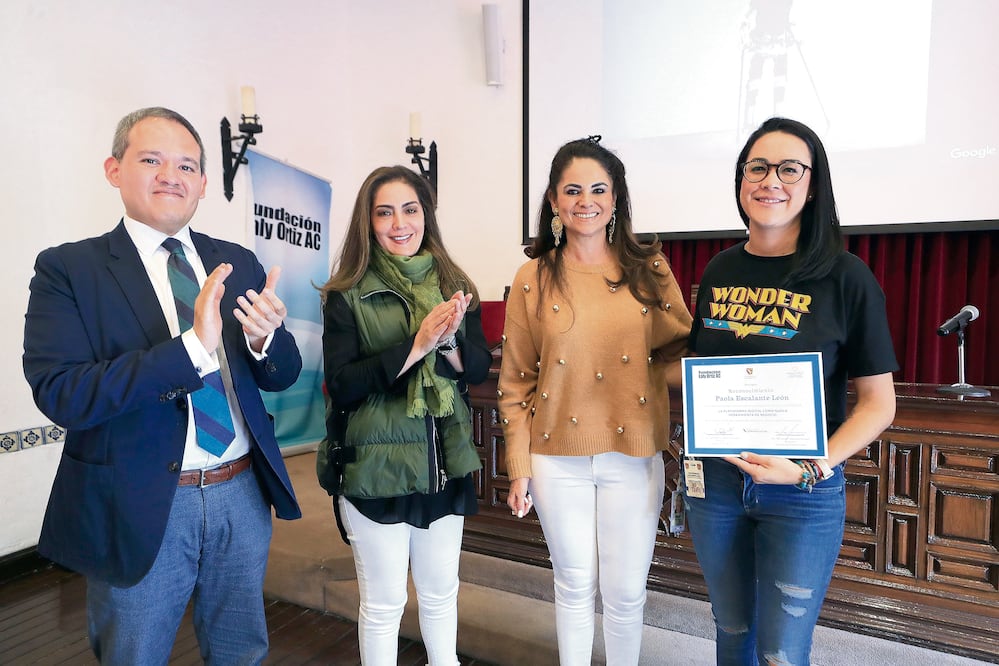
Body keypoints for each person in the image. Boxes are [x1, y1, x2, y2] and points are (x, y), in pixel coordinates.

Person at [22, 107, 303, 664]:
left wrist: (265, 342)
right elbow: (61, 393)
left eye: (186, 165)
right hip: (139, 501)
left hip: (241, 493)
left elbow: (282, 374)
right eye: (151, 159)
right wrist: (192, 350)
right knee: (135, 652)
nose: (170, 175)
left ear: (202, 184)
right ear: (114, 169)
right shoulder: (69, 269)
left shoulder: (236, 261)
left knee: (241, 649)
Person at [683, 117, 898, 665]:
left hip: (801, 488)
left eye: (788, 169)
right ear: (740, 181)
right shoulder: (720, 270)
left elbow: (879, 403)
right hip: (717, 485)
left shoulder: (847, 277)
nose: (770, 180)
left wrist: (811, 467)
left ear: (812, 183)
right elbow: (705, 369)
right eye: (757, 167)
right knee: (732, 634)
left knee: (783, 651)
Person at [498, 136, 692, 665]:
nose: (587, 200)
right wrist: (518, 468)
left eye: (599, 189)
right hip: (555, 456)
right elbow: (515, 382)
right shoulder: (532, 277)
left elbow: (682, 353)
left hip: (634, 452)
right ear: (555, 202)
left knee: (627, 594)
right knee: (574, 585)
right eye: (573, 190)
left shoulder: (648, 269)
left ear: (616, 198)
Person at [319, 165, 491, 666]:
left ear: (426, 215)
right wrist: (416, 347)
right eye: (384, 212)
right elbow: (345, 385)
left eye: (410, 209)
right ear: (368, 223)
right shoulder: (346, 292)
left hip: (442, 463)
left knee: (441, 596)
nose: (399, 223)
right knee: (384, 604)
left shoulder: (455, 283)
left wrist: (451, 338)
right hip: (377, 469)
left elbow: (475, 370)